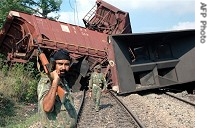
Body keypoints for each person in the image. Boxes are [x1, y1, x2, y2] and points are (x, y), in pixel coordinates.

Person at [37, 49, 77, 127]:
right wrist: (55, 82)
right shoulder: (46, 81)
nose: (63, 68)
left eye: (66, 64)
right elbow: (47, 108)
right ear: (54, 64)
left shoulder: (63, 80)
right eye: (60, 64)